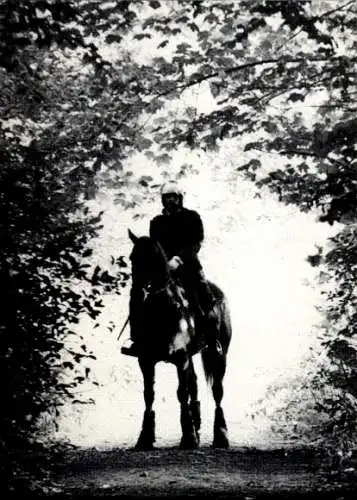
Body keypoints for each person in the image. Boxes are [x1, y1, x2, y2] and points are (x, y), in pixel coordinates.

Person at [122, 180, 219, 357]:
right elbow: (156, 248)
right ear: (163, 200)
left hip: (188, 267)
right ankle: (136, 339)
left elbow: (195, 243)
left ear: (180, 198)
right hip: (162, 270)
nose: (170, 200)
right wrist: (160, 264)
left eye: (174, 197)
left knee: (205, 297)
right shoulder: (156, 222)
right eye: (167, 197)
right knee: (137, 295)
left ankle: (213, 341)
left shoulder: (192, 217)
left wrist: (178, 259)